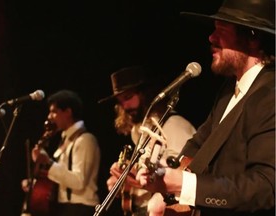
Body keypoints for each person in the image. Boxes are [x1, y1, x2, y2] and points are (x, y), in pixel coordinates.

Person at [136, 0, 275, 216]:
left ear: (253, 38)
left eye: (222, 30)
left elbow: (266, 187)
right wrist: (162, 175)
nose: (211, 37)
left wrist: (184, 185)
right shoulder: (229, 90)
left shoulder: (271, 95)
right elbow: (198, 145)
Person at [98, 66, 196, 216]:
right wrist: (125, 182)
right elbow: (146, 174)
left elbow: (187, 174)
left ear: (145, 94)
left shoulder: (174, 125)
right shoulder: (138, 131)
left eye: (128, 97)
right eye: (120, 101)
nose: (125, 106)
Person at [22, 89, 101, 216]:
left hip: (80, 209)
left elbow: (78, 181)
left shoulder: (85, 139)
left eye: (54, 111)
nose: (49, 116)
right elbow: (59, 177)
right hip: (65, 208)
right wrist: (35, 185)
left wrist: (48, 163)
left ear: (68, 112)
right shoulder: (65, 140)